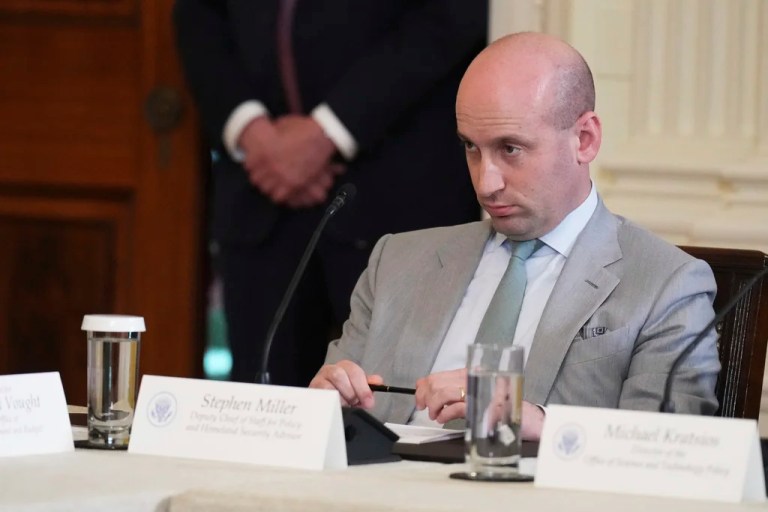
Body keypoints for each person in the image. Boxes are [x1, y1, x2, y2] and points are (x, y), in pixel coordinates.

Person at [309, 32, 721, 440]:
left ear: (585, 139)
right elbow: (329, 420)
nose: (486, 184)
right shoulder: (396, 261)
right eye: (471, 148)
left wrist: (543, 424)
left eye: (511, 149)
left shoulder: (666, 284)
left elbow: (668, 447)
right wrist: (324, 410)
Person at [173, 1, 488, 385]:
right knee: (263, 406)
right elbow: (199, 16)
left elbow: (451, 17)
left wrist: (330, 130)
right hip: (259, 195)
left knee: (388, 402)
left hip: (395, 190)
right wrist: (252, 132)